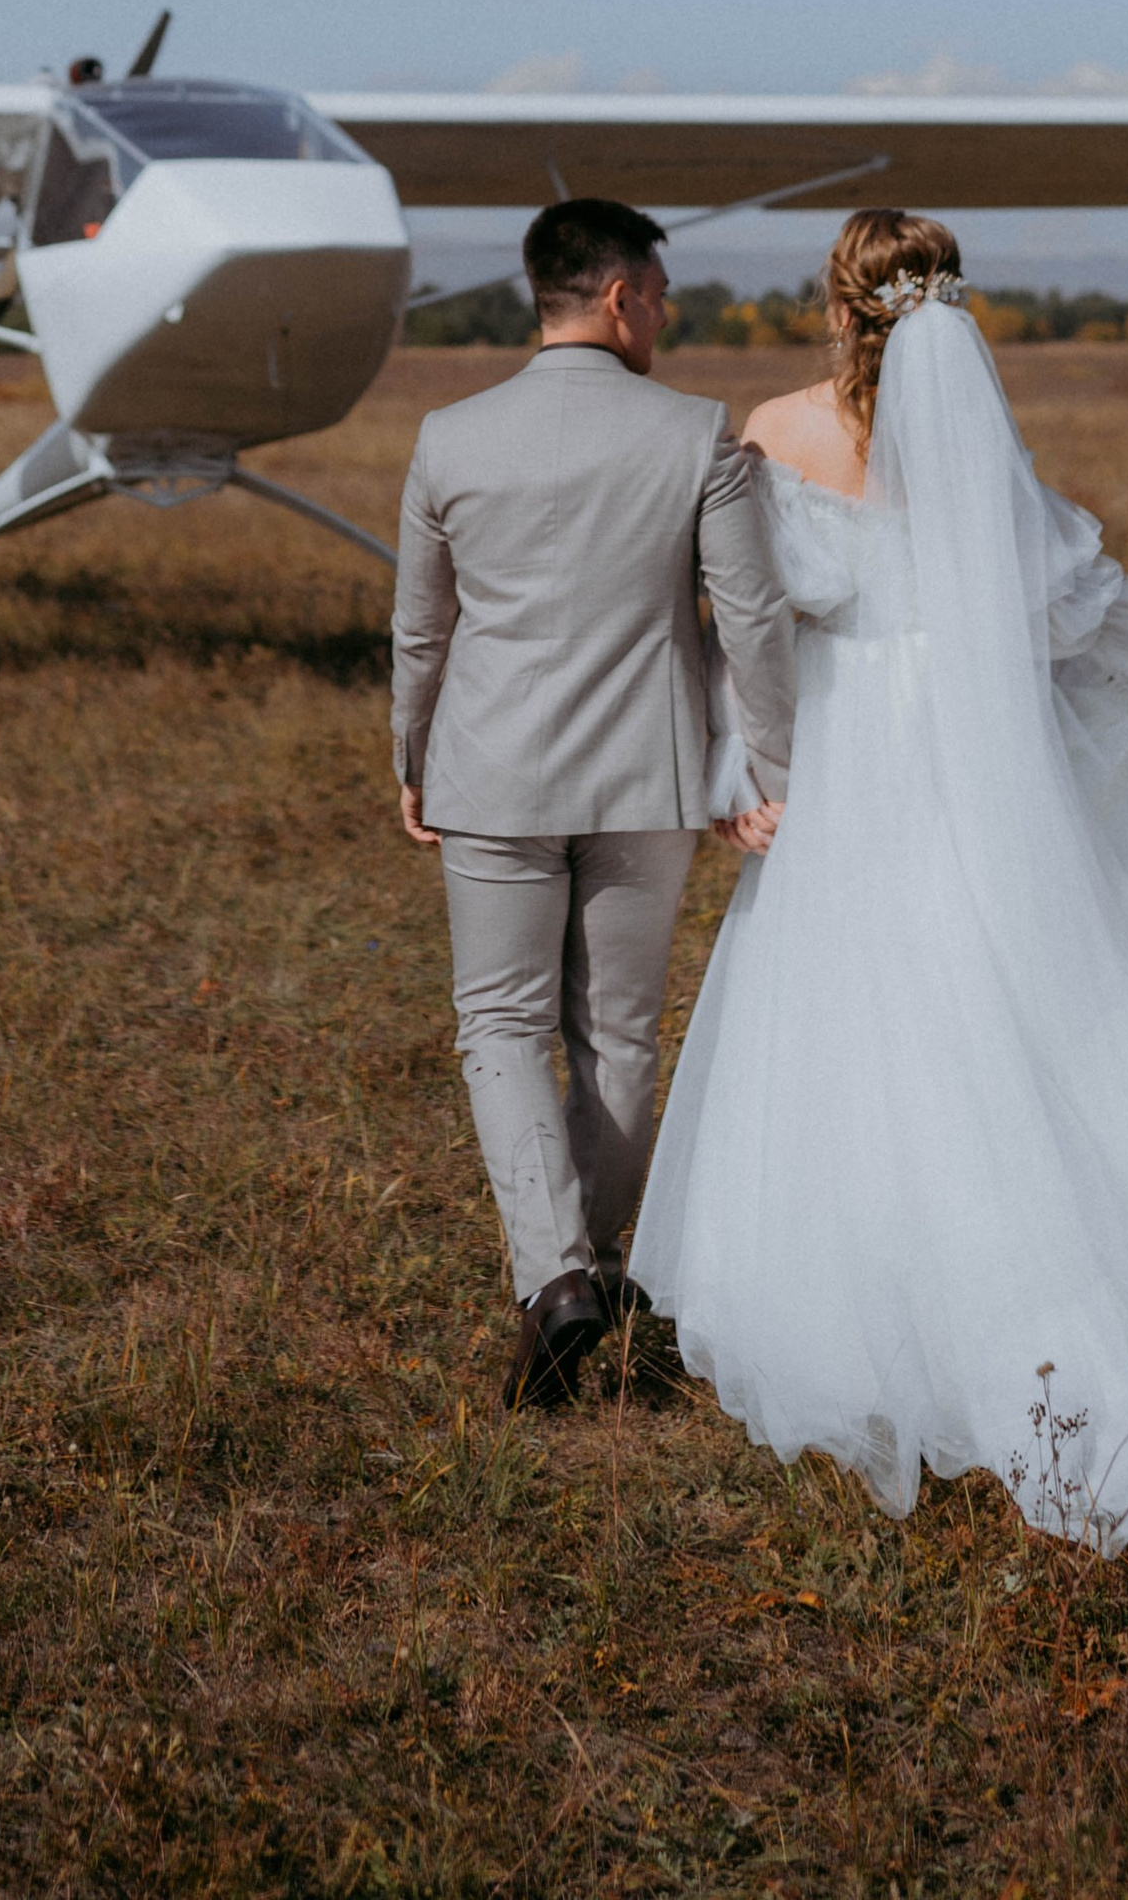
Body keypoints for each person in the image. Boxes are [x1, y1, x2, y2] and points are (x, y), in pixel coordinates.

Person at [632, 208, 1128, 1561]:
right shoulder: (979, 453)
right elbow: (1069, 617)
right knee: (1014, 1005)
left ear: (836, 301)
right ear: (946, 303)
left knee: (854, 1027)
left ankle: (883, 1315)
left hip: (839, 763)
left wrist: (742, 769)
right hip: (974, 771)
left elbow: (736, 616)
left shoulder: (768, 432)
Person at [391, 196, 799, 1408]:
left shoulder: (447, 436)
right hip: (650, 778)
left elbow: (422, 627)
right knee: (615, 1030)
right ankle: (598, 1267)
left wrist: (410, 753)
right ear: (618, 297)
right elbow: (757, 619)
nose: (665, 318)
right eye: (661, 297)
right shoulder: (697, 436)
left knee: (500, 1026)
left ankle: (555, 1278)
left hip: (492, 775)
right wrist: (770, 766)